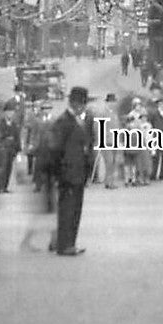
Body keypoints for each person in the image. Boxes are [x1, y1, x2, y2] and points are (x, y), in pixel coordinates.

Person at [41, 86, 94, 256]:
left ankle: (70, 242)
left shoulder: (78, 121)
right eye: (82, 104)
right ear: (75, 104)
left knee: (75, 210)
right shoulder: (64, 122)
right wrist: (59, 172)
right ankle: (64, 245)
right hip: (68, 174)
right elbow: (54, 149)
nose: (84, 108)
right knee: (67, 210)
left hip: (78, 174)